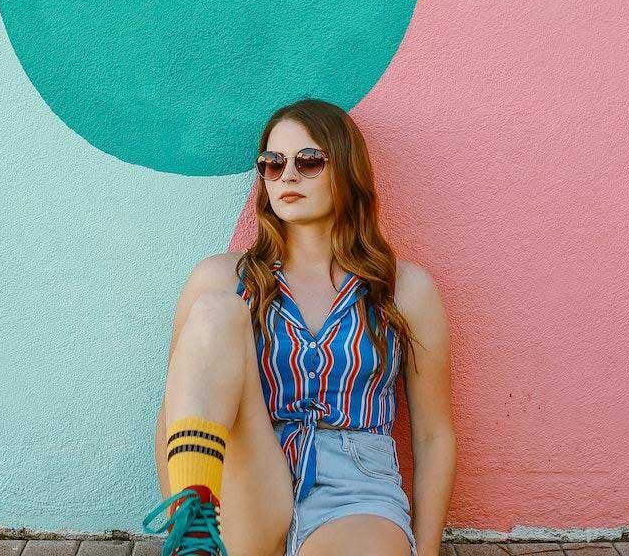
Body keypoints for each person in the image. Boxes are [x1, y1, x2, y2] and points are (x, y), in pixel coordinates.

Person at [143, 98, 457, 556]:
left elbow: (433, 434)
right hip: (251, 475)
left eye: (309, 161)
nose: (287, 175)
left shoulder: (403, 289)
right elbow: (174, 416)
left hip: (355, 490)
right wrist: (180, 512)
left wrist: (425, 552)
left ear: (346, 170)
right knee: (217, 309)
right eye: (273, 163)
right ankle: (194, 535)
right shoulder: (224, 276)